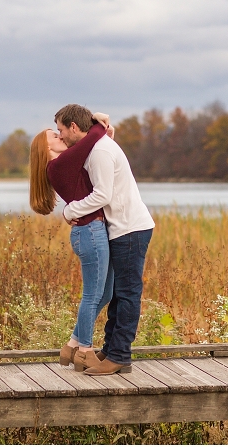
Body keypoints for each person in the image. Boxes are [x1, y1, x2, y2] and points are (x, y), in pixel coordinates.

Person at [55, 104, 155, 376]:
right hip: (121, 227)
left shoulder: (99, 151)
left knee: (127, 294)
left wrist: (69, 211)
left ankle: (120, 356)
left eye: (61, 130)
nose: (60, 136)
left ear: (74, 127)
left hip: (130, 228)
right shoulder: (97, 145)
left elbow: (103, 195)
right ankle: (111, 351)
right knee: (117, 295)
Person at [28, 110, 114, 372]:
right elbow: (91, 138)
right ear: (46, 147)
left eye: (60, 131)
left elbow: (95, 143)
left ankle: (72, 344)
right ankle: (84, 352)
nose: (60, 134)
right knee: (91, 295)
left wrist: (106, 130)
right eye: (55, 135)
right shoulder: (58, 165)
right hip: (89, 233)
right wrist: (98, 122)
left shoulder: (64, 162)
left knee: (106, 293)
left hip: (91, 230)